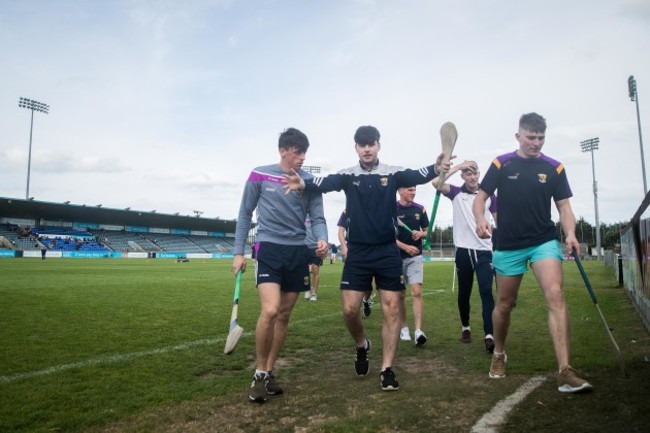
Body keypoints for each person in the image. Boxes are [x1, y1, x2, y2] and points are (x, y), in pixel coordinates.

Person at [283, 125, 451, 391]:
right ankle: (363, 344)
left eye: (371, 144)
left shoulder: (392, 173)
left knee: (392, 309)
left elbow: (416, 175)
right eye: (362, 145)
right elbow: (325, 183)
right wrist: (302, 182)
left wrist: (435, 166)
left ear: (378, 146)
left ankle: (387, 369)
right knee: (350, 310)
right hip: (358, 252)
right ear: (356, 148)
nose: (367, 149)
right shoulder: (349, 176)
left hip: (387, 251)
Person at [473, 112, 593, 393]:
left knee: (555, 295)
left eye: (540, 138)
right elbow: (481, 198)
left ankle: (565, 370)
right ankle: (499, 353)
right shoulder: (501, 164)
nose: (536, 142)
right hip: (508, 244)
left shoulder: (554, 168)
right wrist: (481, 219)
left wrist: (572, 234)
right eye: (531, 137)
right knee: (505, 303)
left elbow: (564, 207)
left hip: (543, 241)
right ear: (518, 136)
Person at [232, 127, 328, 403]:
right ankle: (259, 372)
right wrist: (238, 252)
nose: (301, 158)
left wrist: (321, 239)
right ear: (283, 150)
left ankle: (269, 370)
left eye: (304, 153)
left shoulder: (310, 182)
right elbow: (243, 214)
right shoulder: (259, 174)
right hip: (269, 248)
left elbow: (318, 217)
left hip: (298, 251)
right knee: (271, 309)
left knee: (284, 315)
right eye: (297, 152)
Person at [433, 160, 497, 352]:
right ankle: (466, 327)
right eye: (468, 173)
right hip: (463, 251)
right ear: (463, 176)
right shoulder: (455, 193)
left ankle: (489, 335)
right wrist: (457, 166)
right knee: (464, 293)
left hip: (485, 251)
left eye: (475, 173)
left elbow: (499, 219)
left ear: (479, 174)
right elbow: (436, 182)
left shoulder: (489, 196)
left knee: (486, 291)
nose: (472, 177)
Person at [395, 186, 429, 346]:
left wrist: (421, 234)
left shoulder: (420, 209)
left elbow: (427, 231)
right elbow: (386, 235)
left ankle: (418, 331)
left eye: (414, 190)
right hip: (395, 258)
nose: (413, 192)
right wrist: (405, 247)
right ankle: (404, 327)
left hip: (415, 257)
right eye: (410, 190)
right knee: (400, 295)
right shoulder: (391, 208)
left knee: (416, 292)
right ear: (401, 191)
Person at [338, 209, 375, 317]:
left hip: (372, 251)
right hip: (353, 253)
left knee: (368, 288)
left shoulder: (374, 208)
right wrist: (344, 247)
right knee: (350, 306)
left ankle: (366, 301)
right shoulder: (347, 210)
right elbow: (341, 231)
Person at [304, 217, 324, 301]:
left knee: (315, 270)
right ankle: (307, 289)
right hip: (303, 247)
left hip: (316, 247)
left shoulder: (317, 216)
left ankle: (314, 294)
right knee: (304, 272)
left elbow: (323, 231)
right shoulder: (301, 214)